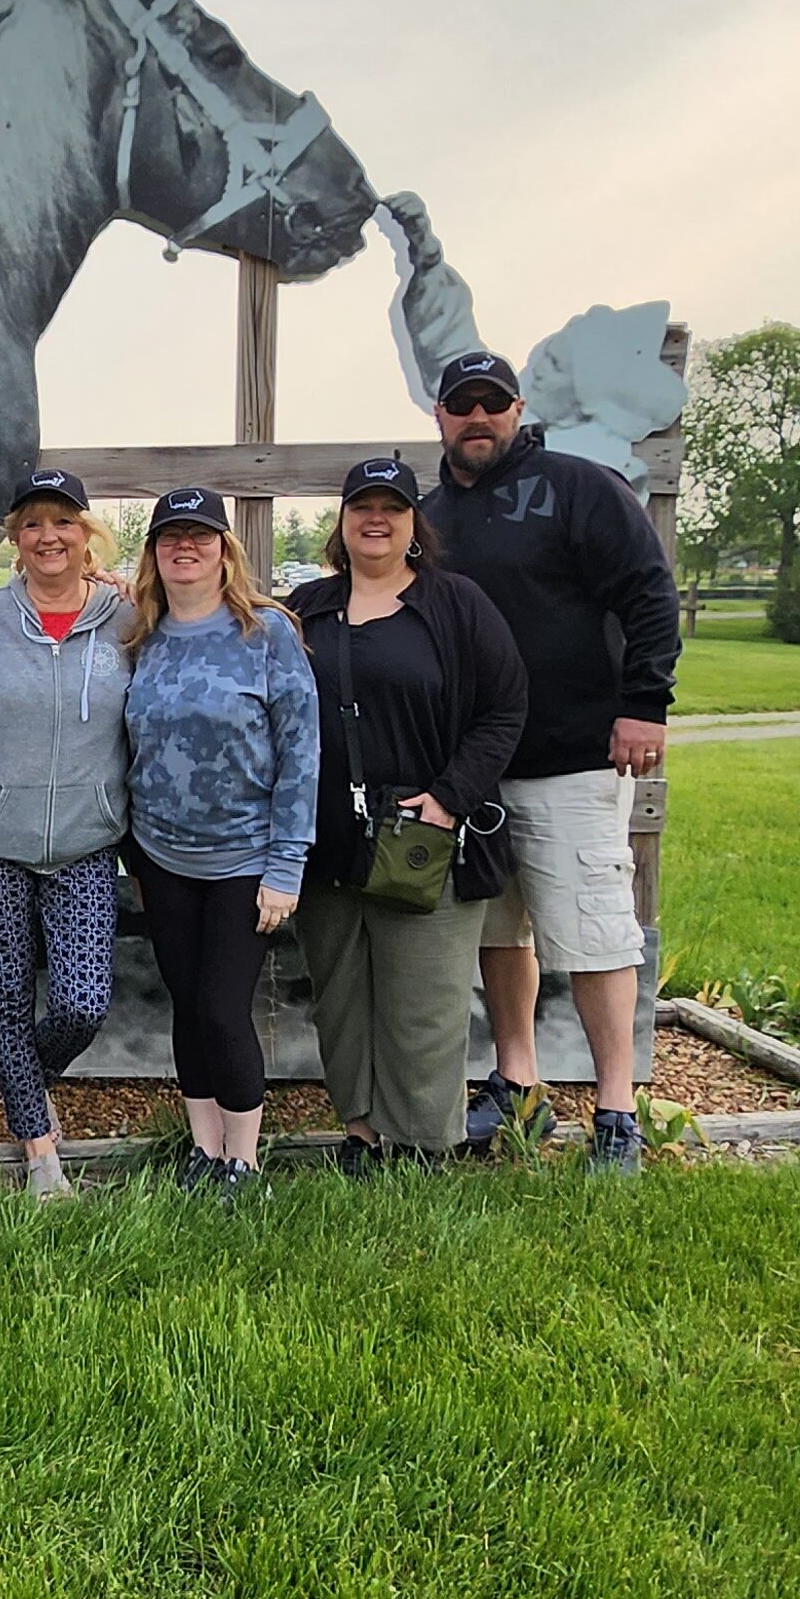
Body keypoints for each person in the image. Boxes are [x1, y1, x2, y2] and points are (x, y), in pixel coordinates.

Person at [416, 349, 683, 1171]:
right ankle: (517, 1081)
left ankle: (616, 1112)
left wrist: (644, 703)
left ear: (518, 408)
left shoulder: (577, 487)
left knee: (596, 933)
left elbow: (648, 590)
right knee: (499, 930)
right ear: (441, 417)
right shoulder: (426, 516)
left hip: (570, 754)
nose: (478, 418)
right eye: (463, 405)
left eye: (492, 403)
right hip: (473, 769)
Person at [282, 457, 528, 1167]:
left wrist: (452, 797)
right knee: (342, 997)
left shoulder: (456, 606)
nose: (376, 519)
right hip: (330, 839)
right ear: (342, 520)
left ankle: (424, 1144)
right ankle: (360, 1132)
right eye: (362, 505)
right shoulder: (307, 608)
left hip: (423, 837)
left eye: (392, 506)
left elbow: (504, 708)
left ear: (415, 521)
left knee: (426, 999)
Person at [121, 486, 318, 1194]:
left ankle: (245, 1159)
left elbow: (301, 753)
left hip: (245, 859)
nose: (185, 547)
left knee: (221, 1006)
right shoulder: (142, 634)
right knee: (185, 1001)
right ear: (152, 553)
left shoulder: (267, 634)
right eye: (169, 537)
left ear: (224, 549)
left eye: (200, 536)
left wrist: (286, 865)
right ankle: (203, 1151)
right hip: (162, 855)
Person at [0, 465, 133, 1201]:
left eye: (63, 521)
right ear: (14, 538)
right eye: (32, 523)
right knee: (5, 994)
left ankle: (26, 1074)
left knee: (81, 1004)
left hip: (87, 837)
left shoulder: (128, 615)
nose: (47, 535)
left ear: (87, 534)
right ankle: (40, 1152)